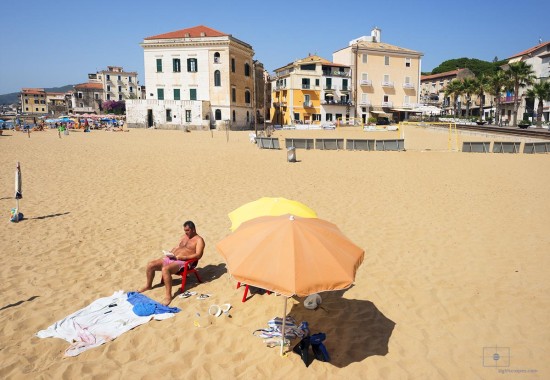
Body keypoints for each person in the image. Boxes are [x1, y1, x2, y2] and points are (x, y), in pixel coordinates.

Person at [138, 221, 205, 305]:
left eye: (187, 230)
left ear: (193, 229)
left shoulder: (199, 240)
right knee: (151, 265)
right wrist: (169, 253)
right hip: (172, 258)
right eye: (185, 230)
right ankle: (148, 285)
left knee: (165, 269)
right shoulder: (184, 237)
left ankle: (168, 296)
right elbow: (177, 247)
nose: (186, 232)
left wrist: (184, 258)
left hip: (183, 262)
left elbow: (198, 255)